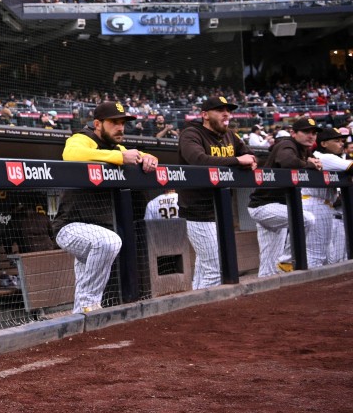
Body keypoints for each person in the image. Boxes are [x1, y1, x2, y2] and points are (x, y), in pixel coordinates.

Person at [53, 101, 158, 314]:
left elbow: (138, 156)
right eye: (114, 123)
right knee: (109, 241)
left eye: (122, 123)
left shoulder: (115, 146)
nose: (120, 127)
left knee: (95, 259)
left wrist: (148, 157)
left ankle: (80, 316)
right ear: (98, 124)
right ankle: (89, 306)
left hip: (95, 231)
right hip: (69, 227)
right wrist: (120, 157)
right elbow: (71, 155)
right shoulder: (83, 137)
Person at [176, 96, 258, 289]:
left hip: (221, 209)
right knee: (216, 266)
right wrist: (238, 162)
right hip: (197, 211)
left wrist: (248, 160)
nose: (226, 114)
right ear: (205, 115)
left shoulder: (230, 135)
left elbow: (250, 155)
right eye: (220, 110)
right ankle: (206, 309)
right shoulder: (191, 134)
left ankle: (195, 305)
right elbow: (198, 160)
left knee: (206, 267)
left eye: (228, 110)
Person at [247, 117, 321, 277]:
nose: (311, 136)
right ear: (294, 133)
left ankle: (265, 293)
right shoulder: (287, 144)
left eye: (314, 133)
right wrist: (309, 164)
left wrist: (313, 162)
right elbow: (287, 161)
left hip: (277, 208)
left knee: (269, 265)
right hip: (264, 206)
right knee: (307, 219)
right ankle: (287, 260)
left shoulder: (305, 149)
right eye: (306, 132)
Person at [307, 127, 352, 265]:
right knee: (316, 255)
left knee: (326, 257)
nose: (341, 144)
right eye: (336, 141)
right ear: (324, 144)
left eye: (342, 141)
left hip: (323, 205)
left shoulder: (325, 156)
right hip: (315, 204)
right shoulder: (325, 156)